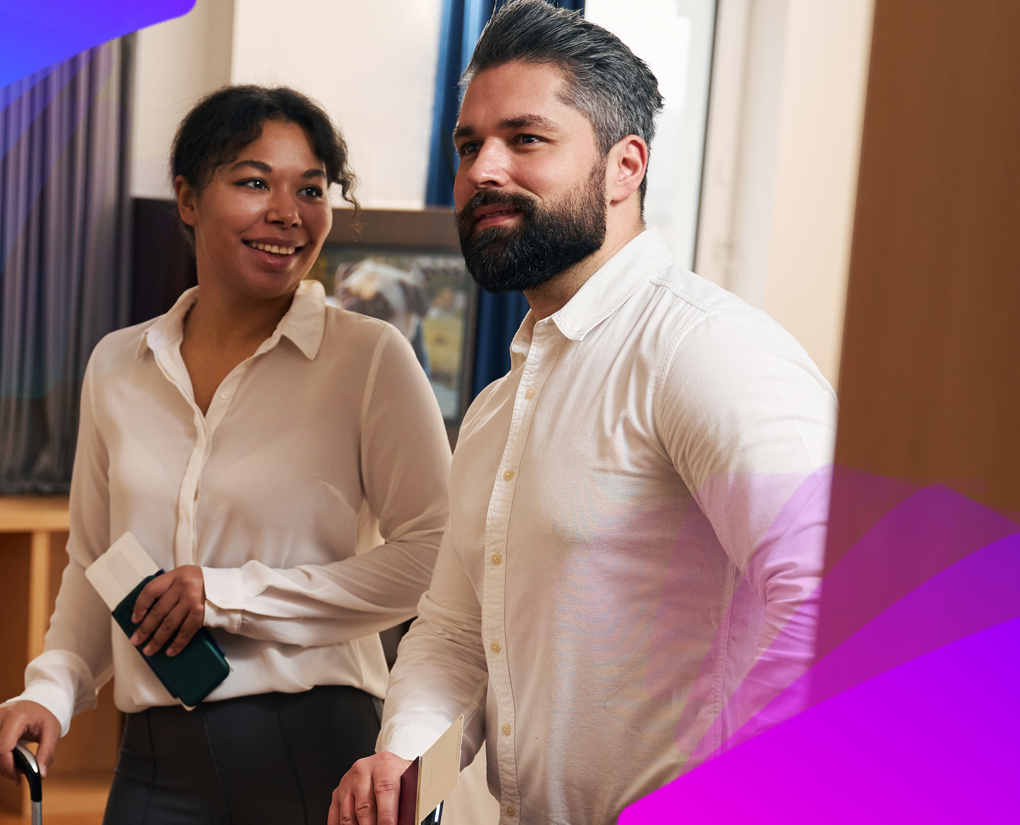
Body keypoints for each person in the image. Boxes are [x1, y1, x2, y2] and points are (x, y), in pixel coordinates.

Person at [329, 2, 838, 823]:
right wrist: (401, 758)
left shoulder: (704, 350)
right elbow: (456, 629)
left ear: (623, 166)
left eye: (524, 139)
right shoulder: (498, 406)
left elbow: (834, 593)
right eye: (468, 145)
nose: (482, 170)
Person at [0, 85, 453, 824]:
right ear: (188, 198)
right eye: (254, 181)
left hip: (314, 753)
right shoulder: (117, 365)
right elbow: (96, 560)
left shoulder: (370, 359)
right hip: (154, 762)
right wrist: (51, 690)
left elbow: (432, 558)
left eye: (311, 188)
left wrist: (229, 593)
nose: (288, 213)